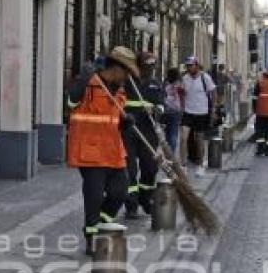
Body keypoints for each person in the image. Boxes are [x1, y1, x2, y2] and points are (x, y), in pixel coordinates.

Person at [67, 46, 139, 255]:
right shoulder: (90, 83)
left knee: (120, 192)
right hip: (89, 152)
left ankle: (100, 224)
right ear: (116, 68)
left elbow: (113, 117)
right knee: (94, 196)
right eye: (126, 72)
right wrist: (82, 80)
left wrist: (125, 122)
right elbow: (70, 103)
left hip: (113, 152)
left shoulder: (120, 89)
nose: (127, 77)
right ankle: (92, 238)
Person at [122, 52, 163, 219]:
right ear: (139, 66)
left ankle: (145, 199)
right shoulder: (127, 82)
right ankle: (131, 205)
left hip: (148, 130)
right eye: (147, 66)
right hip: (129, 129)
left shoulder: (155, 84)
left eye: (153, 66)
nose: (150, 70)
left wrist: (155, 110)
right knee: (130, 169)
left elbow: (161, 105)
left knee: (150, 168)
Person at [179, 56, 216, 177]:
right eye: (187, 66)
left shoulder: (205, 78)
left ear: (197, 65)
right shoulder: (185, 78)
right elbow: (183, 94)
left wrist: (213, 109)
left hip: (201, 112)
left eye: (191, 65)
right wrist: (182, 107)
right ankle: (183, 165)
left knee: (199, 139)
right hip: (188, 112)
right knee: (183, 138)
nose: (189, 68)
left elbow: (213, 92)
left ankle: (200, 165)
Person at [162, 67, 183, 157]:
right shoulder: (179, 84)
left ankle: (167, 153)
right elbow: (182, 97)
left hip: (166, 109)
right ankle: (171, 154)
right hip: (176, 110)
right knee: (174, 133)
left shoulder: (165, 84)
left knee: (167, 133)